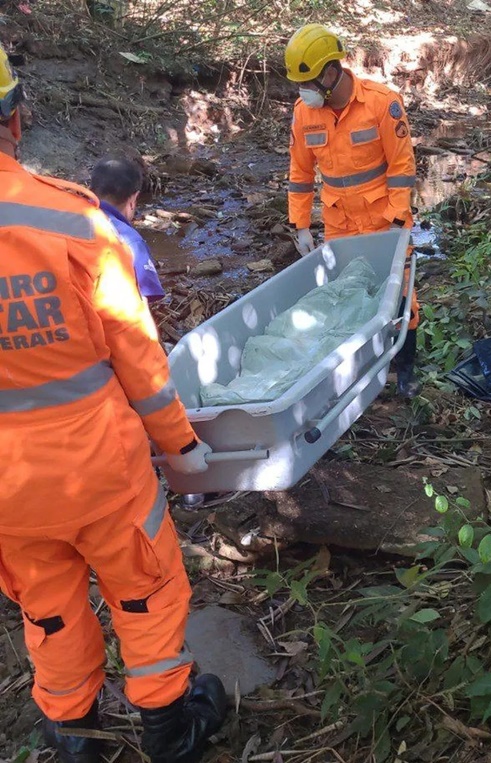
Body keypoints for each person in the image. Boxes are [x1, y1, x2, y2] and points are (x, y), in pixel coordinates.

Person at [0, 43, 227, 763]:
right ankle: (169, 725)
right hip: (99, 467)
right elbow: (138, 353)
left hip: (7, 492)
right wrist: (182, 445)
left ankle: (73, 734)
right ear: (15, 119)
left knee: (50, 606)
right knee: (145, 589)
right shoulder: (72, 222)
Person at [285, 24, 421, 397]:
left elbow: (402, 167)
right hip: (339, 221)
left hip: (384, 217)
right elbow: (300, 174)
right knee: (348, 295)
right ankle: (363, 370)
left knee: (400, 295)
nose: (304, 90)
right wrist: (300, 225)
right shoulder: (304, 114)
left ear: (330, 71)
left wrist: (396, 219)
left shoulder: (381, 103)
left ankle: (406, 371)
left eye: (309, 81)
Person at [90, 154, 165, 303]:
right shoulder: (130, 240)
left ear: (90, 189)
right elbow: (144, 298)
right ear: (133, 199)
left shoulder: (68, 220)